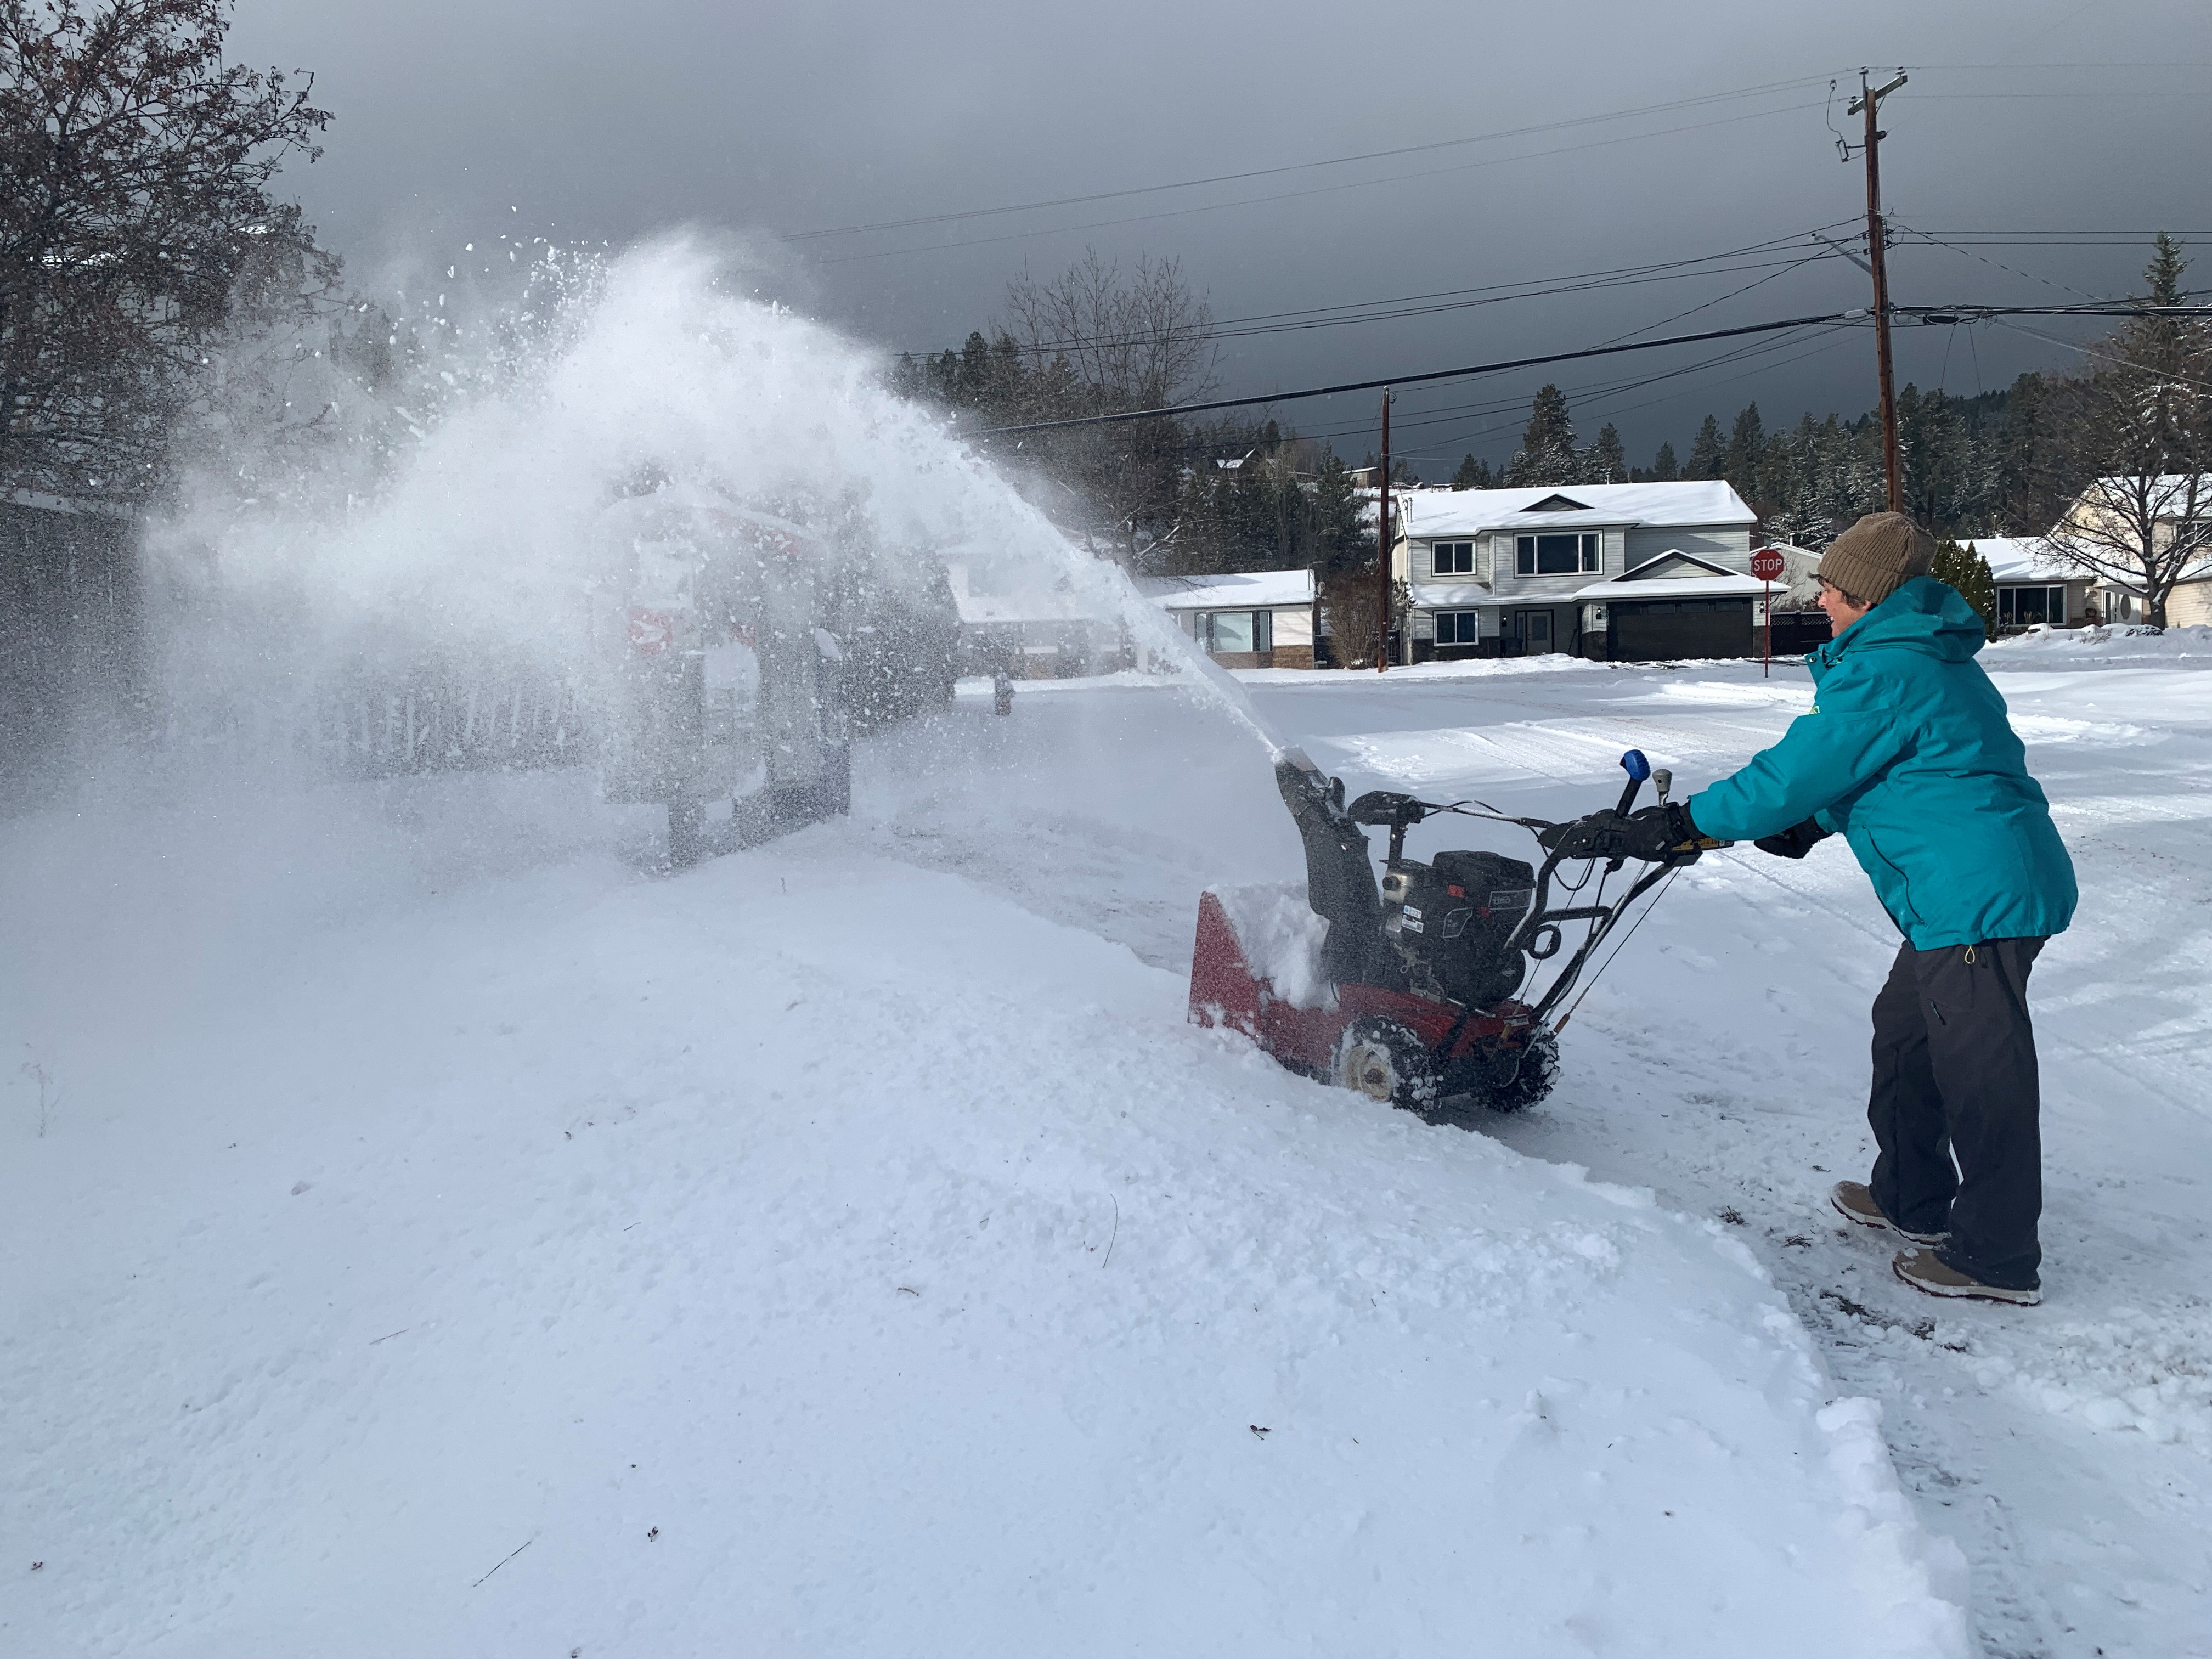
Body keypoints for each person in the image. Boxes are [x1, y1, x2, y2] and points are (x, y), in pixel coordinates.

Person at [1568, 512, 2075, 1305]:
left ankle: (1997, 1257)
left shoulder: (1893, 669)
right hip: (1961, 895)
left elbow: (1792, 773)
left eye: (1833, 590)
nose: (1823, 601)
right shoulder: (1911, 661)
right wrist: (1812, 821)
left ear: (1871, 598)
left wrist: (1687, 822)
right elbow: (1895, 769)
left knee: (1983, 1077)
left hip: (1981, 897)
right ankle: (1913, 1199)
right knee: (1906, 1035)